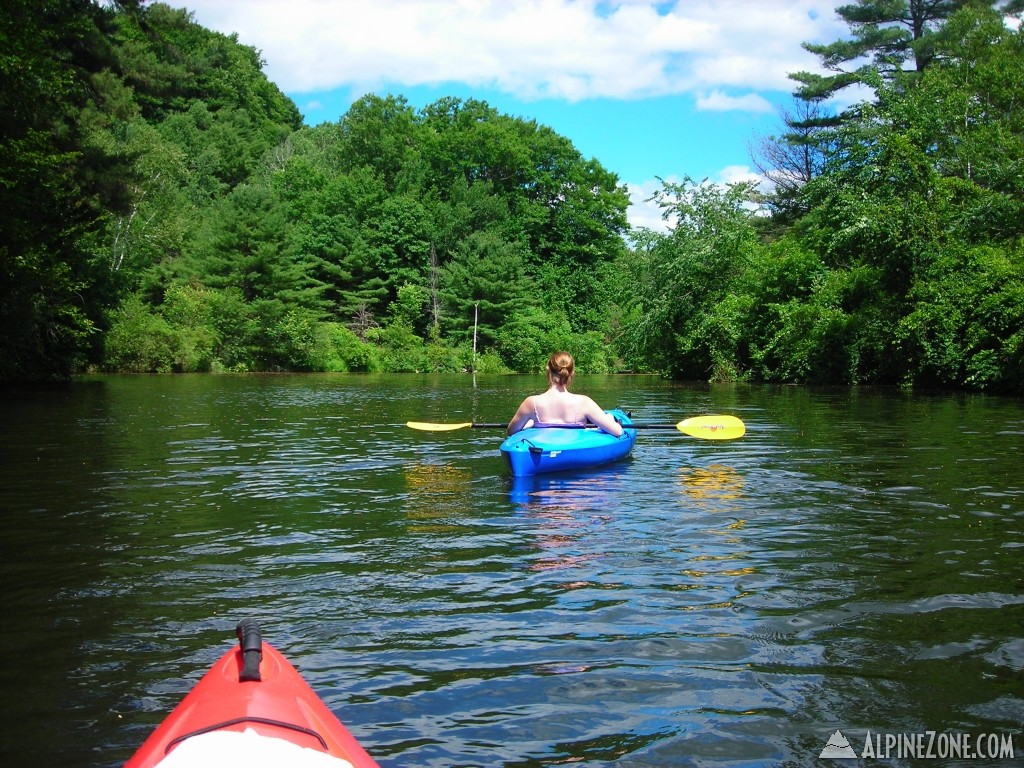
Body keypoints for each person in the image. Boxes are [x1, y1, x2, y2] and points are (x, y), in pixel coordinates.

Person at [507, 351, 624, 436]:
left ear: (548, 371)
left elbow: (511, 431)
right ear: (571, 373)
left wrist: (532, 423)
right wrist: (610, 419)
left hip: (544, 449)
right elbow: (618, 432)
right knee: (608, 416)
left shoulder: (531, 402)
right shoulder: (584, 402)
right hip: (574, 450)